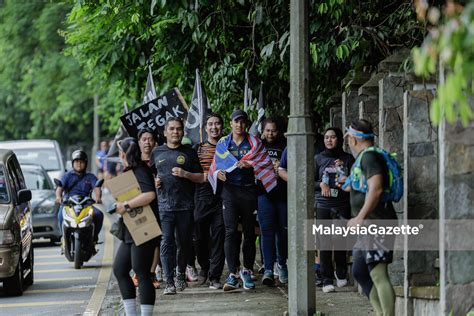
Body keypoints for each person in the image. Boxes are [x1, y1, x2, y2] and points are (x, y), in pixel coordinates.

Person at [208, 109, 277, 291]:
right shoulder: (223, 143)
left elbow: (265, 164)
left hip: (248, 191)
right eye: (236, 121)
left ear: (246, 124)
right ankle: (232, 273)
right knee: (230, 232)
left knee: (249, 232)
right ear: (230, 124)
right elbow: (215, 167)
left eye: (242, 122)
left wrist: (250, 164)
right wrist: (218, 174)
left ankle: (246, 270)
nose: (239, 125)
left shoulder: (254, 142)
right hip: (229, 193)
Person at [342, 119, 396, 316]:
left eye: (348, 138)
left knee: (377, 272)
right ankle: (381, 312)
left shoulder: (370, 157)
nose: (348, 141)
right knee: (359, 271)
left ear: (354, 139)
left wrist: (359, 217)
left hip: (377, 222)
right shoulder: (363, 158)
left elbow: (376, 188)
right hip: (368, 225)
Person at [151, 117, 205, 295]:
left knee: (184, 243)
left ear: (183, 132)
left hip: (185, 206)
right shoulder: (157, 152)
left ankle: (180, 274)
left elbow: (201, 177)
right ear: (165, 132)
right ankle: (169, 281)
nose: (175, 132)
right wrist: (156, 181)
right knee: (167, 242)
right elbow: (151, 175)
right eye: (172, 129)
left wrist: (185, 174)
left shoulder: (189, 152)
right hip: (165, 206)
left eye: (178, 129)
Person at [112, 137, 159, 316]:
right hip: (132, 228)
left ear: (123, 154)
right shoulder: (130, 170)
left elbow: (149, 195)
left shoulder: (140, 169)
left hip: (144, 227)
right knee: (120, 269)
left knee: (142, 272)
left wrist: (125, 206)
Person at [314, 127, 354, 293]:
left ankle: (341, 271)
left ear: (339, 139)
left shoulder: (348, 158)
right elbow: (310, 181)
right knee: (324, 242)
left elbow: (354, 181)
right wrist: (320, 184)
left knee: (339, 240)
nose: (329, 140)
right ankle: (326, 279)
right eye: (326, 137)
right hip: (323, 204)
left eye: (333, 137)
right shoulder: (317, 158)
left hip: (342, 204)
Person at [193, 113, 225, 289]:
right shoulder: (198, 149)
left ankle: (215, 276)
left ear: (222, 127)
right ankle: (204, 267)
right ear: (205, 128)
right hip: (202, 195)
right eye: (211, 124)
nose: (214, 127)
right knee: (199, 236)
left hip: (223, 195)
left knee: (220, 235)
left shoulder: (228, 147)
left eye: (217, 123)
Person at [257, 117, 288, 286]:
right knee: (267, 232)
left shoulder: (285, 145)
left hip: (283, 195)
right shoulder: (257, 145)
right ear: (263, 130)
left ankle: (281, 264)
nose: (270, 133)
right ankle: (268, 269)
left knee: (282, 233)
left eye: (273, 130)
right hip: (263, 194)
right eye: (267, 130)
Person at [130, 128, 162, 289]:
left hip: (157, 204)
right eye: (144, 139)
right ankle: (138, 273)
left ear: (154, 142)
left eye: (150, 139)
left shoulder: (160, 159)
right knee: (139, 239)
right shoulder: (134, 162)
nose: (147, 142)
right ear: (139, 142)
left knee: (155, 240)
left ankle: (151, 273)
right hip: (138, 206)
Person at [55, 150, 103, 244]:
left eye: (81, 162)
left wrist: (98, 197)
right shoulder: (67, 176)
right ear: (73, 163)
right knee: (61, 215)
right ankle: (63, 237)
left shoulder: (90, 176)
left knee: (99, 215)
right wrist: (58, 197)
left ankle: (94, 237)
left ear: (85, 163)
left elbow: (97, 187)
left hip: (86, 205)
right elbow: (59, 187)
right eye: (76, 162)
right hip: (69, 204)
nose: (79, 164)